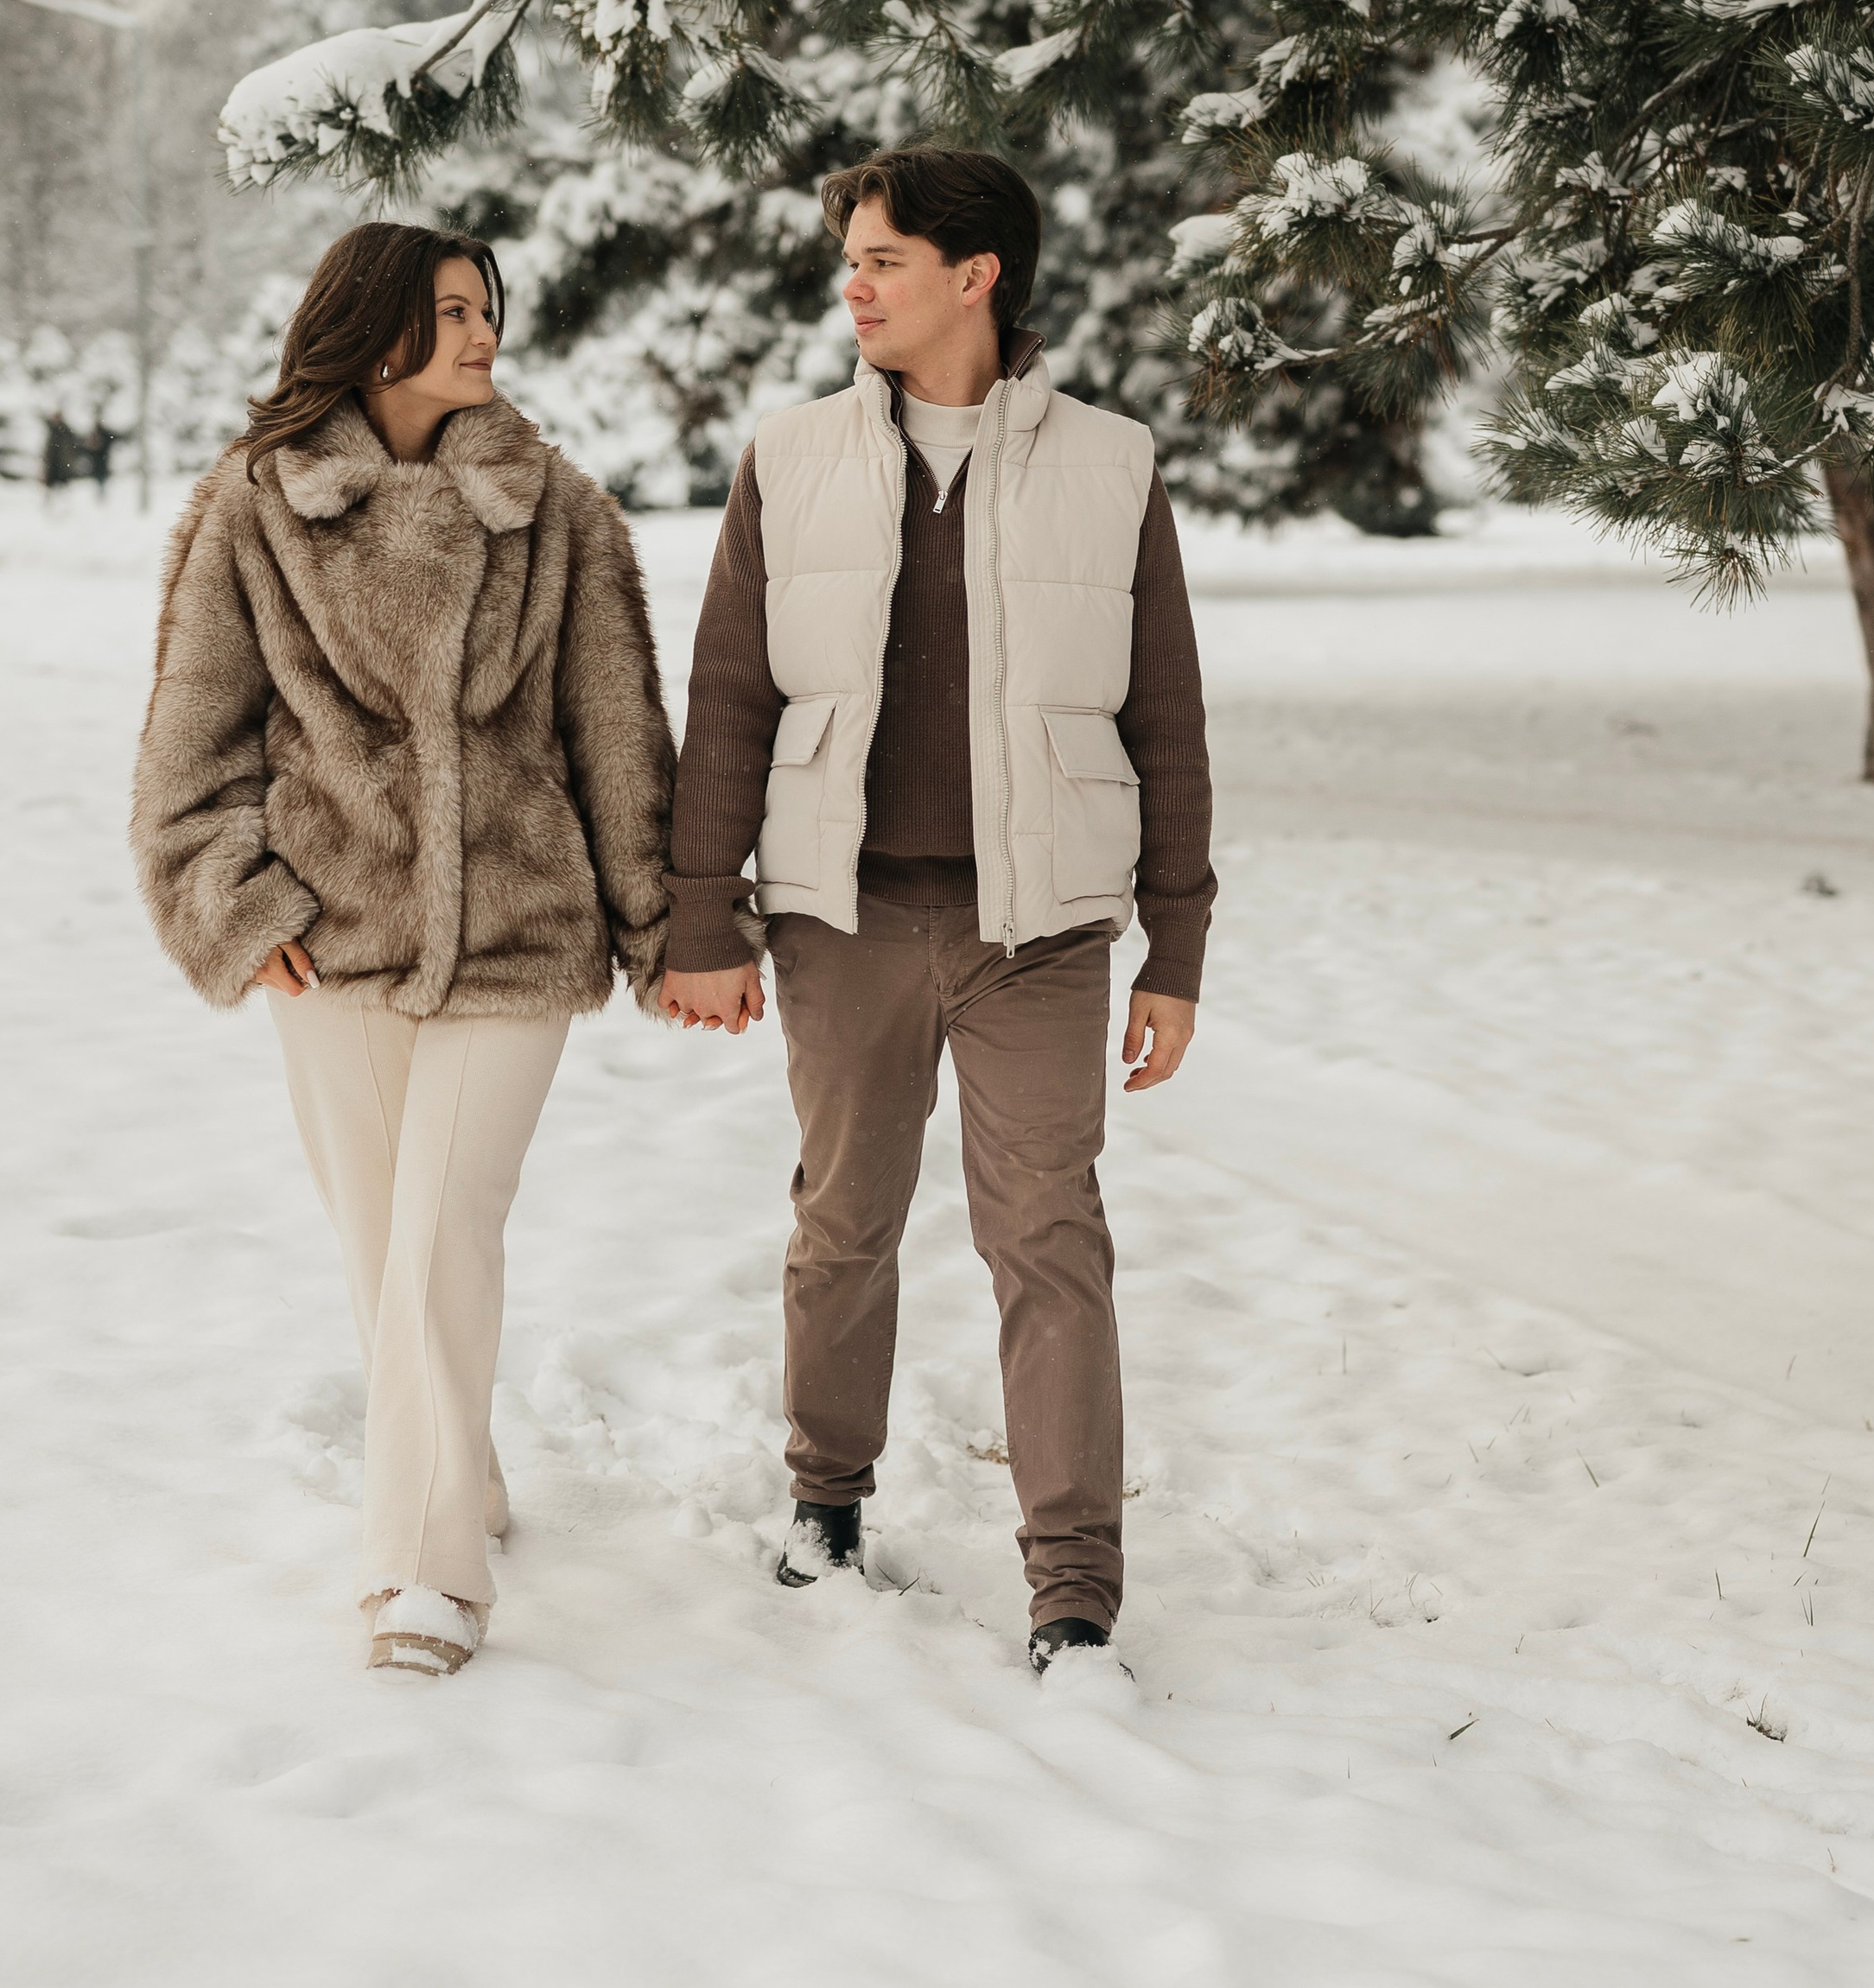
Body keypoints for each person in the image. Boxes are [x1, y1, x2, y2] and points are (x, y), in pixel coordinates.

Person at [661, 146, 1215, 1676]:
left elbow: (1164, 713)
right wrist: (700, 917)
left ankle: (1075, 1590)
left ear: (976, 275)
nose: (855, 280)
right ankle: (825, 1500)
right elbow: (726, 700)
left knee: (1051, 1239)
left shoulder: (1111, 464)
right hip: (841, 920)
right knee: (842, 1224)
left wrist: (1179, 944)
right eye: (852, 254)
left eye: (885, 256)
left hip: (1038, 932)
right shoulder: (791, 455)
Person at [132, 222, 674, 1677]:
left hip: (517, 927)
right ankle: (462, 1476)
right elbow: (194, 736)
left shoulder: (556, 509)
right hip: (334, 937)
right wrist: (236, 904)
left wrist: (668, 921)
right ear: (376, 333)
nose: (483, 330)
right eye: (450, 311)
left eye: (486, 308)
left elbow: (616, 734)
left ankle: (423, 1573)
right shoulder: (255, 509)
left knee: (444, 1229)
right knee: (385, 1255)